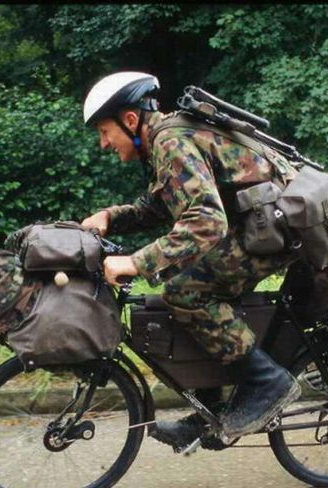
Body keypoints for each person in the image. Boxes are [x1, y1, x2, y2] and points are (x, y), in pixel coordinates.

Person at [80, 71, 301, 449]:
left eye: (104, 131)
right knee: (185, 281)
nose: (103, 144)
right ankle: (210, 408)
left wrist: (136, 263)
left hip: (276, 231)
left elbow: (206, 220)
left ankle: (268, 382)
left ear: (130, 120)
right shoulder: (165, 137)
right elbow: (163, 204)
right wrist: (111, 218)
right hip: (255, 226)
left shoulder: (169, 140)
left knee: (186, 292)